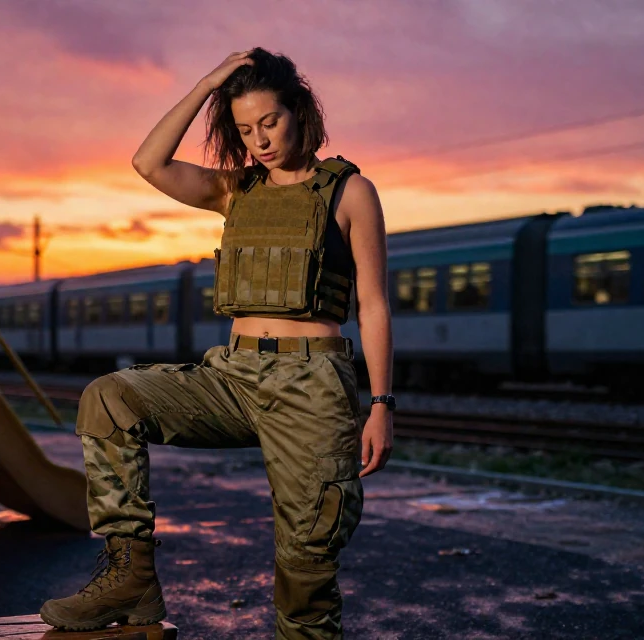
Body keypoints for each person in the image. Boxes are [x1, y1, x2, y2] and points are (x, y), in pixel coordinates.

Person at [40, 48, 395, 639]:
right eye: (245, 129)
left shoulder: (350, 192)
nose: (259, 140)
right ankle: (130, 577)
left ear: (300, 111)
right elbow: (148, 162)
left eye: (270, 122)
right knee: (109, 399)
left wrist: (380, 406)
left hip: (312, 388)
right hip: (232, 377)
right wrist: (207, 85)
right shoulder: (236, 191)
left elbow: (374, 305)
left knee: (306, 569)